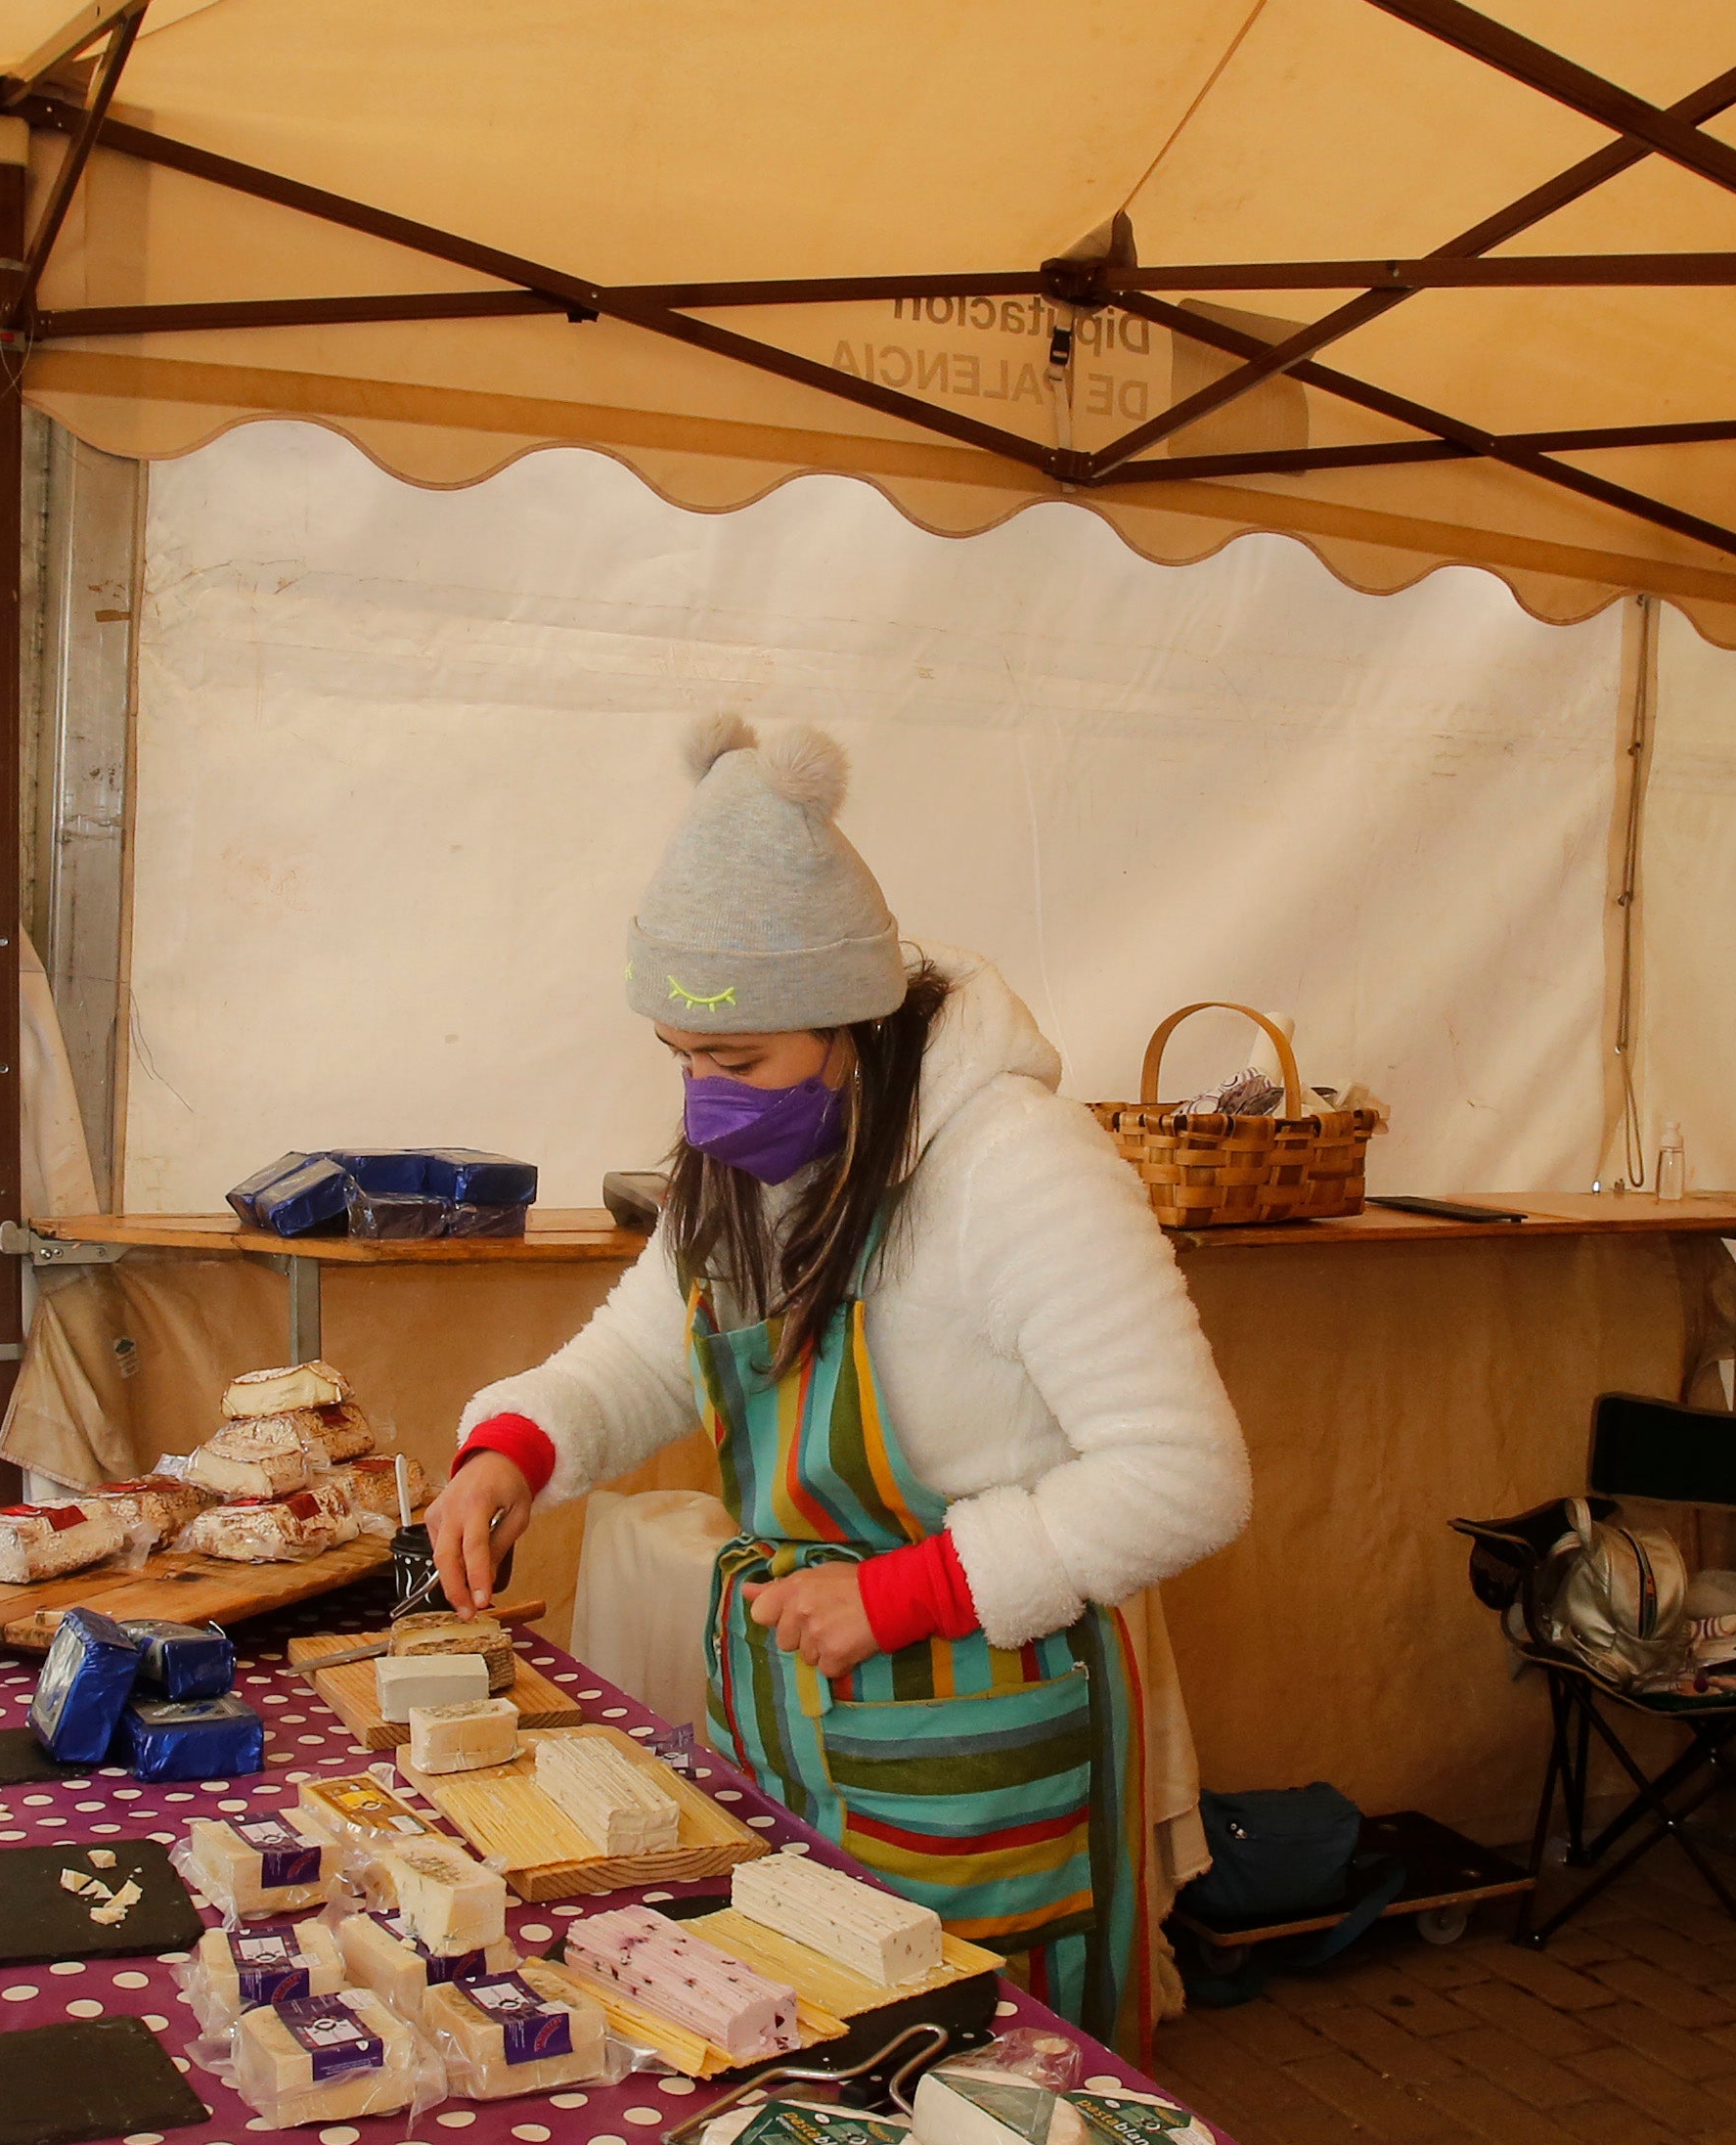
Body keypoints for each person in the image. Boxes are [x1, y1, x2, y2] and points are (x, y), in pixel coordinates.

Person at [428, 717, 1248, 2052]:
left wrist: (904, 1591)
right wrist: (512, 1447)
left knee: (988, 2092)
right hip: (799, 1721)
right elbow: (646, 1350)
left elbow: (1185, 1475)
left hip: (985, 1754)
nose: (702, 1104)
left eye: (737, 1062)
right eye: (680, 1058)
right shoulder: (753, 1164)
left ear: (852, 1023)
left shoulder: (1016, 1170)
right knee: (811, 2060)